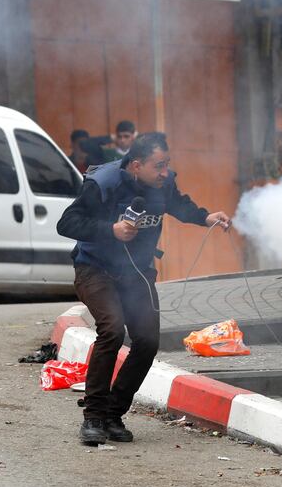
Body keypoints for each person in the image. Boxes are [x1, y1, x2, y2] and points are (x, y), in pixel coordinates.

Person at [56, 132, 231, 445]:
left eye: (167, 164)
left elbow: (177, 204)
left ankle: (113, 414)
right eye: (158, 166)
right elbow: (67, 223)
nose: (165, 172)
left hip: (136, 273)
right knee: (112, 330)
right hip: (94, 269)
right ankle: (93, 417)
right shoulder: (104, 183)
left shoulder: (163, 184)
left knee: (148, 341)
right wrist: (111, 229)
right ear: (136, 165)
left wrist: (206, 217)